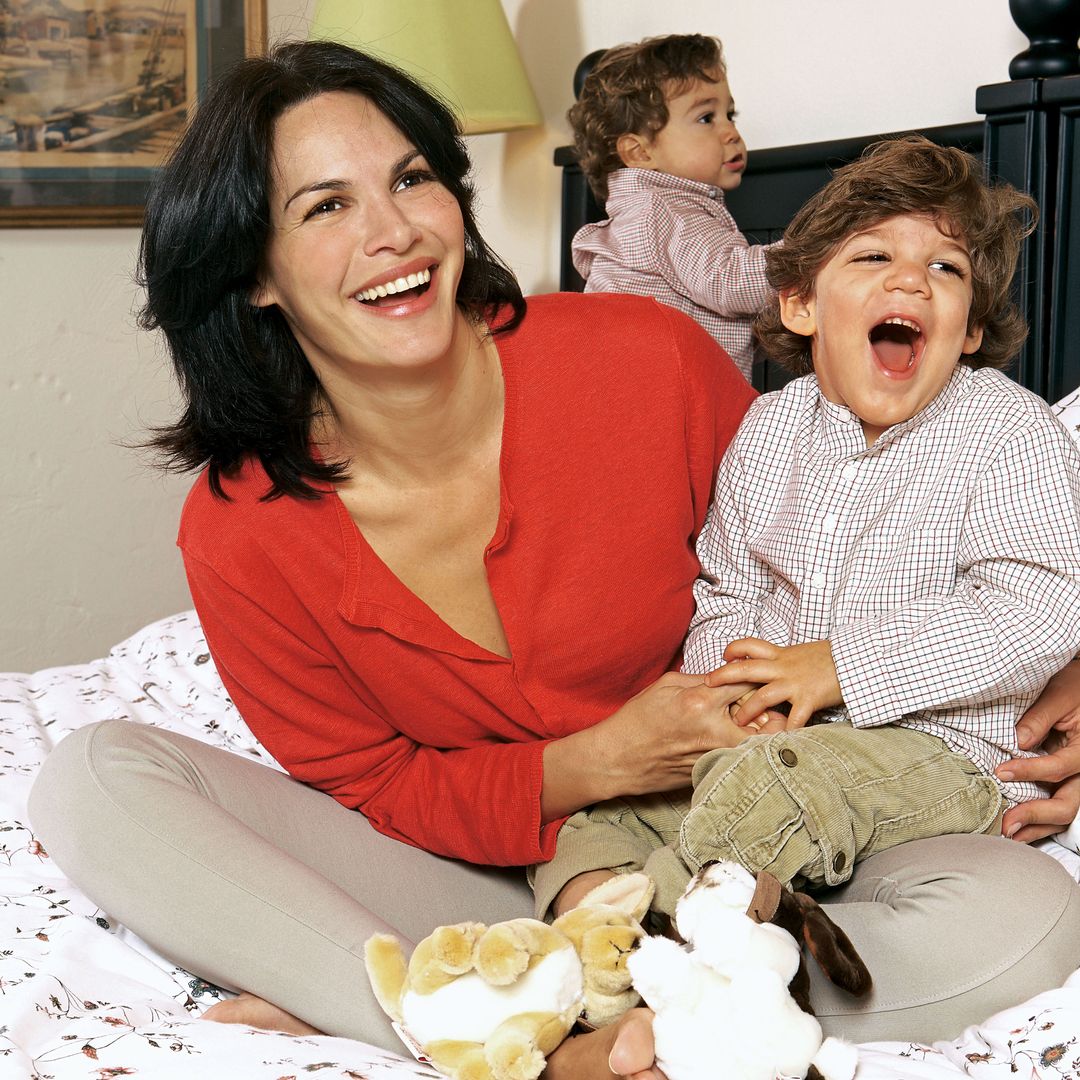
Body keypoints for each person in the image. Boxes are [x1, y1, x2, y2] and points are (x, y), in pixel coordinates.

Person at [23, 40, 1080, 1080]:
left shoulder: (642, 360)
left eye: (412, 178)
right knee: (94, 784)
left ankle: (517, 1007)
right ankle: (569, 1034)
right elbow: (375, 782)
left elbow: (817, 545)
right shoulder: (239, 523)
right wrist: (594, 765)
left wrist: (1055, 669)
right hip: (485, 869)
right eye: (325, 206)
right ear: (252, 270)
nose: (392, 231)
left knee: (1029, 922)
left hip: (755, 841)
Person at [533, 136, 1080, 920]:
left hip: (939, 753)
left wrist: (841, 668)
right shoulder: (769, 430)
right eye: (872, 258)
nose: (909, 280)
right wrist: (737, 688)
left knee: (776, 788)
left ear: (968, 333)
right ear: (801, 305)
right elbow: (726, 586)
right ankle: (587, 932)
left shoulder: (1009, 431)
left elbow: (1040, 605)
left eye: (946, 270)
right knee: (602, 812)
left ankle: (668, 942)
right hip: (774, 744)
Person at [568, 33, 776, 381]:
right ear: (640, 152)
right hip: (660, 395)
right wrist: (811, 255)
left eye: (730, 114)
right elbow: (729, 280)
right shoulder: (663, 209)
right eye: (706, 118)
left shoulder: (647, 209)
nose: (731, 133)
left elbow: (725, 325)